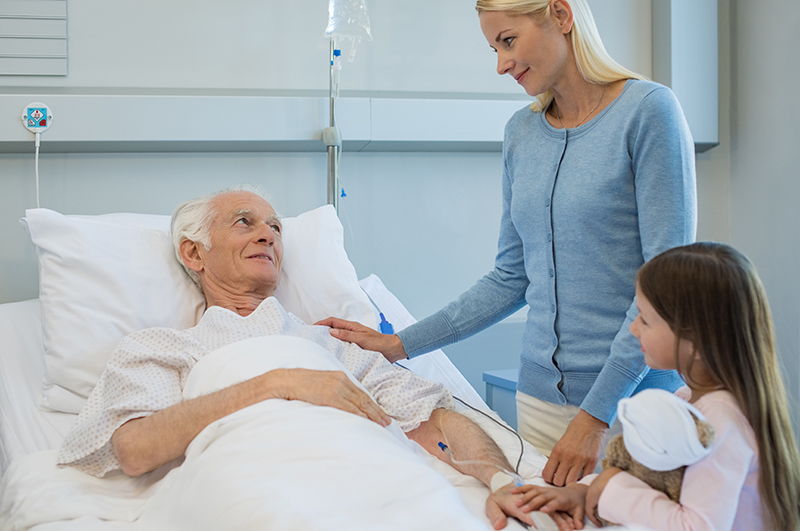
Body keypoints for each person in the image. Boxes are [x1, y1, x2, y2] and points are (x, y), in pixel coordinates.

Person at [318, 0, 697, 488]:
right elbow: (511, 277)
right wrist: (401, 345)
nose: (501, 63)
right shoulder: (521, 133)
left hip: (637, 404)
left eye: (509, 41)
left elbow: (665, 288)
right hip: (539, 403)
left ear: (561, 16)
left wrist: (596, 416)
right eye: (493, 47)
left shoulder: (647, 112)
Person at [56, 189, 535, 529]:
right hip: (252, 478)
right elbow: (135, 451)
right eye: (245, 222)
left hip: (367, 475)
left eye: (276, 228)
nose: (268, 235)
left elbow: (436, 420)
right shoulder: (161, 346)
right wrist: (276, 383)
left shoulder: (332, 343)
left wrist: (500, 478)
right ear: (193, 253)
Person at [512, 242, 800, 530]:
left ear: (697, 341)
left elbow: (695, 526)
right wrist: (585, 490)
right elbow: (653, 479)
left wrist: (610, 486)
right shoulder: (688, 398)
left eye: (645, 320)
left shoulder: (719, 421)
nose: (634, 329)